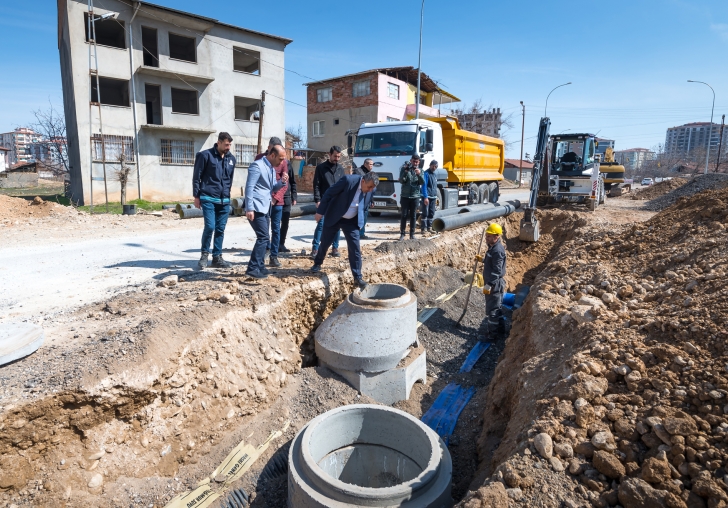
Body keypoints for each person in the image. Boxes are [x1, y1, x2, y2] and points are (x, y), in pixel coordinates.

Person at [310, 172, 379, 289]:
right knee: (325, 242)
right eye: (369, 187)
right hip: (335, 216)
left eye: (373, 187)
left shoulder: (370, 189)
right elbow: (328, 194)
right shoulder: (348, 181)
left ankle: (357, 277)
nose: (371, 189)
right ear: (363, 181)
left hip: (351, 221)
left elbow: (365, 205)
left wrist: (361, 221)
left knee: (355, 248)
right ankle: (317, 263)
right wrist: (320, 212)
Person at [193, 132, 236, 270]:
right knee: (210, 226)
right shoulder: (205, 155)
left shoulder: (231, 159)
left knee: (220, 229)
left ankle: (217, 257)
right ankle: (204, 255)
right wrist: (196, 196)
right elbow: (196, 177)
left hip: (224, 200)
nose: (228, 147)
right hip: (208, 197)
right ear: (218, 142)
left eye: (229, 144)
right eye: (226, 144)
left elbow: (230, 179)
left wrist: (228, 196)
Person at [244, 144, 288, 279]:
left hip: (265, 207)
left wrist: (282, 182)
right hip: (256, 208)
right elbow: (249, 187)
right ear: (272, 155)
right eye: (280, 159)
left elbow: (272, 188)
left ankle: (260, 266)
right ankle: (252, 268)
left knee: (264, 237)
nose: (282, 162)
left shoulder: (271, 169)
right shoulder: (257, 166)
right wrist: (249, 208)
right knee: (263, 237)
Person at [311, 146, 345, 258]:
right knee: (321, 225)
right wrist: (317, 200)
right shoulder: (321, 168)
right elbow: (316, 185)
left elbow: (343, 185)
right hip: (324, 201)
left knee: (337, 225)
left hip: (337, 202)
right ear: (329, 155)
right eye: (335, 156)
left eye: (339, 156)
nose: (337, 158)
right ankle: (315, 249)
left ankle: (335, 248)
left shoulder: (340, 168)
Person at [477, 223, 507, 341]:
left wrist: (489, 284)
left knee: (492, 311)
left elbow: (497, 270)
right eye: (486, 236)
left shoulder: (497, 250)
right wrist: (483, 260)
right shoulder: (492, 247)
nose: (486, 238)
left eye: (489, 236)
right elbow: (492, 263)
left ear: (496, 237)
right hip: (493, 282)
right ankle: (501, 330)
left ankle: (492, 335)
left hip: (495, 284)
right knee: (497, 308)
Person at [398, 154, 424, 241]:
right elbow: (401, 181)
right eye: (413, 161)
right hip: (405, 196)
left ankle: (412, 234)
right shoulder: (404, 169)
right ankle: (402, 234)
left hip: (415, 196)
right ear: (411, 161)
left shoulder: (421, 171)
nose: (415, 163)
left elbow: (422, 182)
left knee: (413, 216)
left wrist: (419, 175)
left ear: (419, 162)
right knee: (404, 215)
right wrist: (405, 172)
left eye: (417, 162)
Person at [278, 160, 297, 253]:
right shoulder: (272, 164)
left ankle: (281, 244)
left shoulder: (288, 164)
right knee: (276, 223)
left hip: (286, 198)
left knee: (285, 223)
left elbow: (293, 181)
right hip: (276, 198)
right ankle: (275, 244)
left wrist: (294, 196)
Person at [353, 158, 374, 239]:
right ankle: (356, 233)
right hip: (359, 198)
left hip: (367, 199)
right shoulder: (358, 171)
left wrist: (372, 200)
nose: (371, 166)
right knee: (358, 217)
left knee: (364, 217)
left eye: (372, 164)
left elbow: (371, 188)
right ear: (365, 164)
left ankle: (361, 233)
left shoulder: (370, 173)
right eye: (370, 164)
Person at [421, 160, 439, 235]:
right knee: (425, 212)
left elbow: (435, 186)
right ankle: (423, 229)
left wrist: (436, 196)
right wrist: (425, 197)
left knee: (431, 212)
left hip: (433, 196)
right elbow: (424, 185)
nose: (434, 168)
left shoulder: (434, 175)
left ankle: (429, 227)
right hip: (427, 196)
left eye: (435, 166)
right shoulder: (426, 173)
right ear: (430, 165)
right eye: (433, 166)